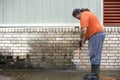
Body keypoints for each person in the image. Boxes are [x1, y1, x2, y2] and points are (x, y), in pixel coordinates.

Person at [72, 8, 105, 80]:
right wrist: (82, 42)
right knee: (94, 54)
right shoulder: (87, 14)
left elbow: (84, 29)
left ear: (78, 13)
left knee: (94, 54)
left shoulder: (84, 15)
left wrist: (81, 39)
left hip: (96, 35)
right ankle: (94, 74)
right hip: (96, 35)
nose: (77, 19)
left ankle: (94, 75)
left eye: (76, 17)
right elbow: (86, 33)